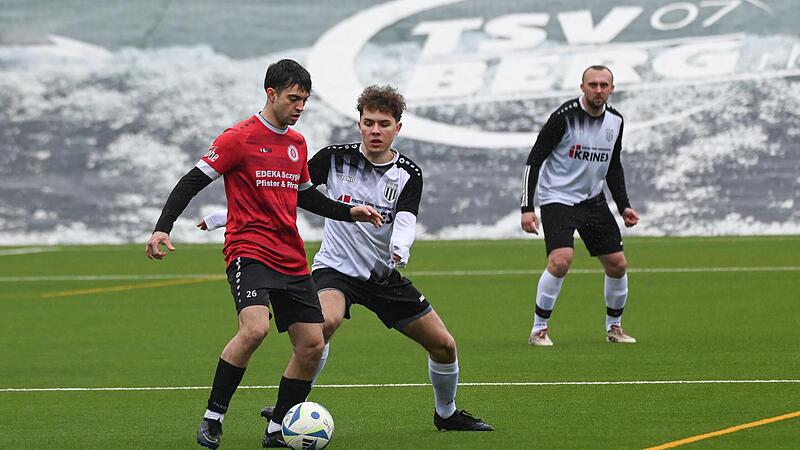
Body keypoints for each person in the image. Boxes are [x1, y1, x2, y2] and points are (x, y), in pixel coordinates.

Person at [202, 85, 493, 432]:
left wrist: (401, 247)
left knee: (444, 346)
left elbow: (405, 219)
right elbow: (282, 192)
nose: (375, 130)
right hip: (334, 270)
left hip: (382, 275)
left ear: (397, 128)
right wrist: (224, 216)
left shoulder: (408, 174)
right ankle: (288, 411)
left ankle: (446, 414)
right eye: (368, 122)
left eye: (383, 124)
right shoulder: (334, 158)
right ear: (359, 124)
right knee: (323, 325)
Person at [145, 59, 383, 449]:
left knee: (312, 344)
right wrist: (162, 228)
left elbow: (304, 196)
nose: (299, 107)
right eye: (293, 98)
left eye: (304, 100)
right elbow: (191, 181)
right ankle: (213, 417)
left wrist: (348, 211)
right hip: (249, 250)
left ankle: (277, 430)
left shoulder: (297, 143)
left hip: (290, 256)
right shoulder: (238, 138)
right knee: (254, 328)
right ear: (271, 94)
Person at [519, 65, 640, 347]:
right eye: (593, 84)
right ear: (582, 87)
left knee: (617, 264)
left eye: (604, 85)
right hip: (557, 199)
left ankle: (614, 327)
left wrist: (624, 206)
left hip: (593, 202)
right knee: (560, 261)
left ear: (612, 89)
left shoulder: (616, 121)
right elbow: (534, 160)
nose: (599, 90)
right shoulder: (564, 117)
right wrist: (527, 207)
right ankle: (539, 329)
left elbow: (614, 165)